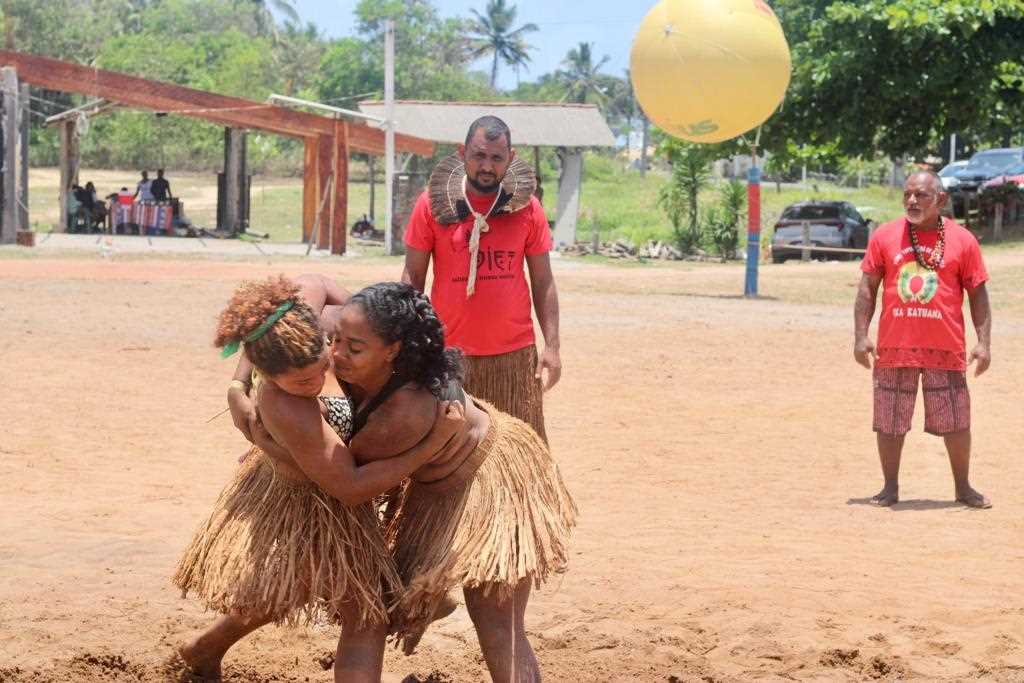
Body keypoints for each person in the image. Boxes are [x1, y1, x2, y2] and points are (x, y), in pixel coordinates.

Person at [172, 274, 468, 683]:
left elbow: (314, 286)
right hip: (311, 496)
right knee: (363, 611)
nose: (317, 380)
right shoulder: (285, 403)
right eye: (300, 383)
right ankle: (205, 648)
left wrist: (237, 382)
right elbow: (345, 484)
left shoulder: (321, 336)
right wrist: (431, 445)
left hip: (336, 477)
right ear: (269, 375)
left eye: (325, 361)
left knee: (307, 583)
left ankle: (204, 648)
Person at [315, 282, 576, 681]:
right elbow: (311, 287)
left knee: (496, 617)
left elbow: (348, 482)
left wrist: (276, 433)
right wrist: (241, 381)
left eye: (353, 347)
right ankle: (422, 594)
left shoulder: (402, 415)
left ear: (393, 350)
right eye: (334, 340)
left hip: (494, 486)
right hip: (450, 478)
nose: (337, 353)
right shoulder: (367, 328)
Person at [402, 116, 560, 443]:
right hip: (450, 356)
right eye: (479, 156)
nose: (486, 166)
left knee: (520, 455)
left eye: (496, 158)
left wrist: (553, 346)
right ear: (462, 153)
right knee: (447, 456)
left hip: (514, 359)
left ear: (510, 159)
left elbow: (543, 280)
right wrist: (406, 339)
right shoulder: (431, 205)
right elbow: (413, 277)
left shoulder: (528, 209)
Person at [854, 171, 992, 508]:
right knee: (889, 419)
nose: (912, 201)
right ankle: (889, 488)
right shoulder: (885, 236)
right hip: (895, 348)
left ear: (940, 200)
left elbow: (978, 294)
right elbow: (867, 289)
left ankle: (963, 487)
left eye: (921, 195)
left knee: (957, 421)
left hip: (945, 349)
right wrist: (861, 336)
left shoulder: (963, 241)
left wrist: (983, 343)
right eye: (907, 195)